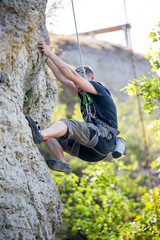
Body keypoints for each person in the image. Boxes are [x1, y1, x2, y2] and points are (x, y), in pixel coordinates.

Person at [25, 41, 120, 174]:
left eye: (80, 81)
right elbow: (64, 79)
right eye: (76, 84)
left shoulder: (98, 88)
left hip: (104, 138)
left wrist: (50, 52)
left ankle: (40, 134)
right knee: (52, 135)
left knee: (65, 123)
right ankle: (63, 163)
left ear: (91, 78)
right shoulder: (83, 93)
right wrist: (46, 58)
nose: (77, 86)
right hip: (92, 153)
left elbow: (72, 76)